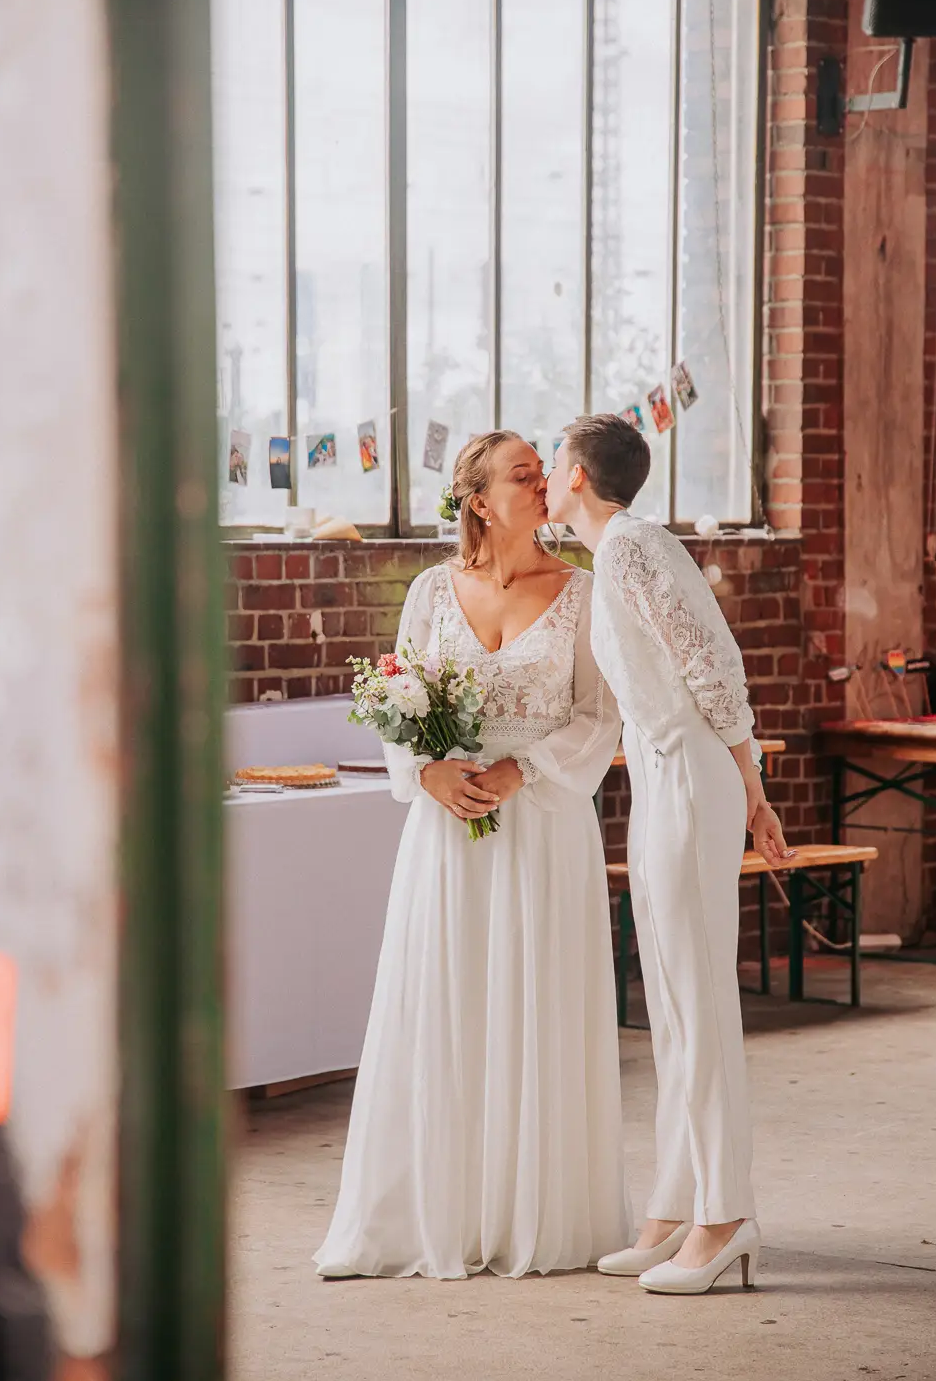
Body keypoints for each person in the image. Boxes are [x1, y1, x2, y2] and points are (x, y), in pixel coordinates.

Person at [314, 431, 632, 1280]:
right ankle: (425, 1215)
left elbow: (602, 717)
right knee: (442, 1002)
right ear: (480, 502)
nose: (544, 483)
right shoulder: (428, 590)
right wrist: (425, 773)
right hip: (446, 838)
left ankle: (532, 1213)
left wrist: (519, 767)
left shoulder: (585, 593)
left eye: (543, 472)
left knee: (536, 1004)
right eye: (523, 475)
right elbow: (393, 698)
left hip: (543, 828)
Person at [544, 414, 792, 1297]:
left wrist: (751, 789)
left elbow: (713, 665)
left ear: (576, 474)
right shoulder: (609, 552)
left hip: (691, 773)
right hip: (660, 777)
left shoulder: (635, 546)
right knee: (672, 1001)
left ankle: (727, 1214)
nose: (540, 474)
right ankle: (676, 1201)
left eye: (549, 461)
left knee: (698, 997)